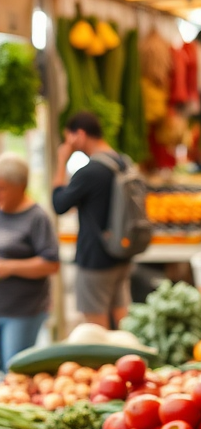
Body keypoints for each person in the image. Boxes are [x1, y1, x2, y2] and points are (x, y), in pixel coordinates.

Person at [52, 111, 132, 328]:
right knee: (122, 321)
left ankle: (107, 363)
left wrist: (61, 161)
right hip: (120, 252)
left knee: (95, 327)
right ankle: (127, 359)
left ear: (79, 134)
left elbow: (59, 203)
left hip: (95, 258)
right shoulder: (122, 162)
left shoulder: (89, 171)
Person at [0, 154, 59, 370]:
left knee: (14, 370)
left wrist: (9, 267)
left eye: (3, 188)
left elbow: (51, 264)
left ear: (21, 186)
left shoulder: (37, 218)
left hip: (23, 310)